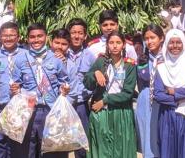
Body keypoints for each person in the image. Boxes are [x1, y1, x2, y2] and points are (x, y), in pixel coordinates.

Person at [11, 23, 70, 158]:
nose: (36, 40)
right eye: (32, 37)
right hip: (28, 111)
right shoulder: (20, 58)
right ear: (27, 39)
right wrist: (15, 88)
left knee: (49, 151)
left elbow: (64, 81)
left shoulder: (56, 58)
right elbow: (16, 82)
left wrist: (64, 88)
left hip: (50, 110)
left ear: (46, 37)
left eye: (40, 36)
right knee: (28, 150)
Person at [84, 32, 137, 158]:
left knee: (120, 148)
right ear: (107, 45)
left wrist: (105, 100)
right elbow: (87, 83)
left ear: (124, 45)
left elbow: (128, 93)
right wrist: (95, 74)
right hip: (101, 113)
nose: (115, 46)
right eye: (111, 42)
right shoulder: (101, 61)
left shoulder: (129, 65)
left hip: (121, 113)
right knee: (102, 147)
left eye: (118, 42)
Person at [153, 29, 185, 158]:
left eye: (179, 42)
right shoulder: (161, 67)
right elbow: (158, 94)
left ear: (184, 44)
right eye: (171, 42)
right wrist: (182, 95)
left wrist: (173, 91)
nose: (175, 46)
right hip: (169, 115)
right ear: (166, 44)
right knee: (170, 151)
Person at [0, 21, 25, 158]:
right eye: (5, 35)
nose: (8, 38)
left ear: (18, 37)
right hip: (0, 104)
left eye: (12, 35)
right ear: (0, 37)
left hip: (19, 105)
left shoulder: (26, 54)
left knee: (17, 142)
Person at [65, 19, 96, 158]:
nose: (77, 36)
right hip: (64, 105)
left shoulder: (90, 56)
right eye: (73, 33)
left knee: (83, 144)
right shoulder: (61, 53)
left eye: (80, 33)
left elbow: (95, 80)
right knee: (60, 141)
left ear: (85, 36)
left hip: (81, 105)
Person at [135, 24, 165, 158]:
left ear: (161, 38)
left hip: (164, 99)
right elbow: (142, 80)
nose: (149, 41)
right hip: (146, 101)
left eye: (153, 37)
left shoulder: (169, 57)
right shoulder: (142, 59)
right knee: (147, 136)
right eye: (146, 39)